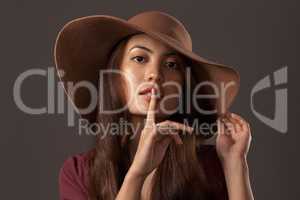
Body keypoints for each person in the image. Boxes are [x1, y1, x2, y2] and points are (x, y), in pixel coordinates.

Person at [54, 11, 254, 200]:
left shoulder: (209, 164)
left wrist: (235, 163)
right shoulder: (79, 173)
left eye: (171, 65)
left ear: (182, 87)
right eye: (140, 58)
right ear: (114, 77)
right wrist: (138, 173)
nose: (155, 74)